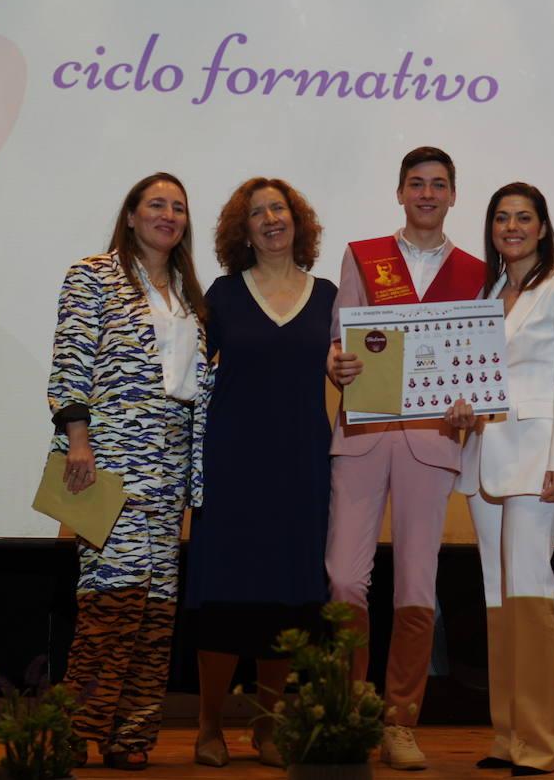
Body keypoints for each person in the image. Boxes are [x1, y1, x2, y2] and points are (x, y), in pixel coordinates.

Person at [325, 146, 486, 770]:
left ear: (452, 195)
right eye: (416, 184)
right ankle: (346, 710)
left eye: (438, 184)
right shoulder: (364, 255)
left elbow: (481, 355)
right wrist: (333, 364)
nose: (426, 194)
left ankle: (399, 721)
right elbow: (340, 338)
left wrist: (474, 401)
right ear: (399, 192)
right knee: (343, 577)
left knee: (417, 586)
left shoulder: (476, 270)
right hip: (363, 433)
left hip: (431, 437)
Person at [46, 172, 210, 770]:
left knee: (158, 606)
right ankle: (71, 728)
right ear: (133, 215)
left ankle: (131, 735)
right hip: (105, 462)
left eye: (179, 207)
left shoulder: (191, 294)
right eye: (157, 204)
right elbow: (70, 360)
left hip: (169, 468)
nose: (169, 214)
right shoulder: (93, 274)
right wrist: (77, 442)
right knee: (112, 600)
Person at [184, 178, 336, 769]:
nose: (270, 218)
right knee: (223, 599)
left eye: (279, 208)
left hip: (301, 466)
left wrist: (348, 370)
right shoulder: (219, 295)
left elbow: (361, 365)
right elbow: (186, 370)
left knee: (288, 599)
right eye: (256, 213)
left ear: (297, 221)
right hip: (232, 465)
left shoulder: (328, 296)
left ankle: (268, 728)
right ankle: (209, 726)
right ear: (241, 231)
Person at [445, 182, 554, 776]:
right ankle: (506, 735)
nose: (512, 227)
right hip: (483, 454)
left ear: (541, 226)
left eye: (523, 218)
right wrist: (459, 410)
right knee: (495, 596)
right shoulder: (484, 292)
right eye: (502, 218)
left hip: (538, 460)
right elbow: (474, 377)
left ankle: (538, 741)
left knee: (530, 593)